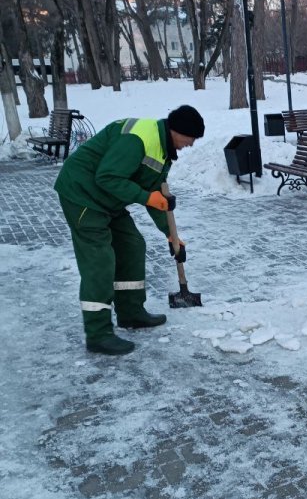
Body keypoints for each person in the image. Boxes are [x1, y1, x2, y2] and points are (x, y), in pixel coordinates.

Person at [54, 105, 205, 355]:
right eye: (190, 139)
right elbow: (108, 177)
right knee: (100, 262)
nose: (190, 145)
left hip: (108, 200)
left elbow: (156, 195)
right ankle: (98, 333)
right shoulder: (137, 139)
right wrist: (146, 197)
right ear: (176, 131)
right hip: (83, 195)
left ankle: (131, 312)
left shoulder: (163, 148)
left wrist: (170, 234)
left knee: (133, 245)